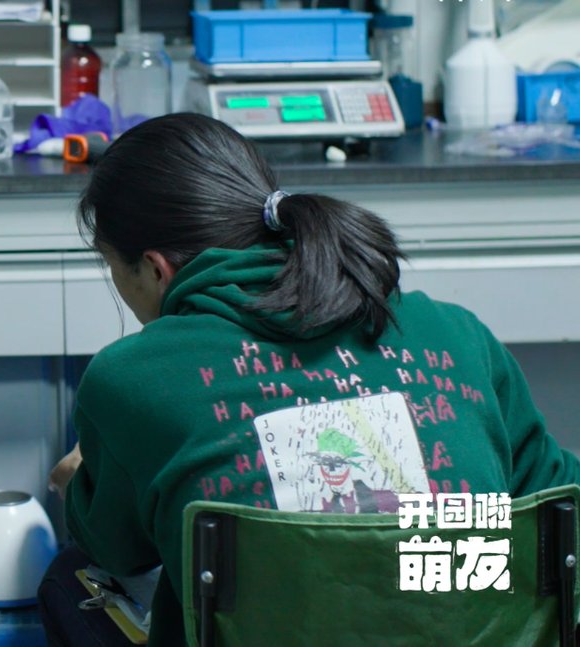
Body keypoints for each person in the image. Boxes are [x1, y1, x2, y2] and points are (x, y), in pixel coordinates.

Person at [39, 113, 580, 646]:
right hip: (473, 627)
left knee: (69, 577)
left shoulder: (133, 375)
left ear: (156, 269)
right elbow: (559, 498)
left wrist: (78, 488)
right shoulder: (457, 332)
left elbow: (120, 551)